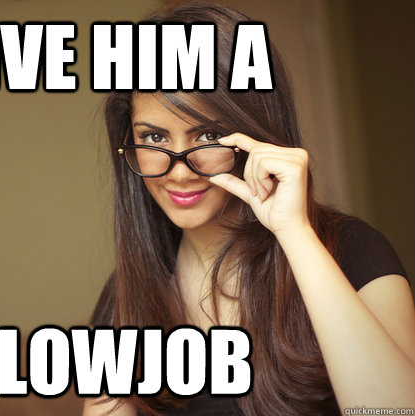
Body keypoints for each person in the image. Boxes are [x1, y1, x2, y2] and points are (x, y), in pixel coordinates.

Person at [82, 1, 415, 415]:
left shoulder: (354, 252)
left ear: (254, 133)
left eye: (208, 135)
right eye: (154, 138)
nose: (180, 172)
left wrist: (293, 233)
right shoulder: (126, 295)